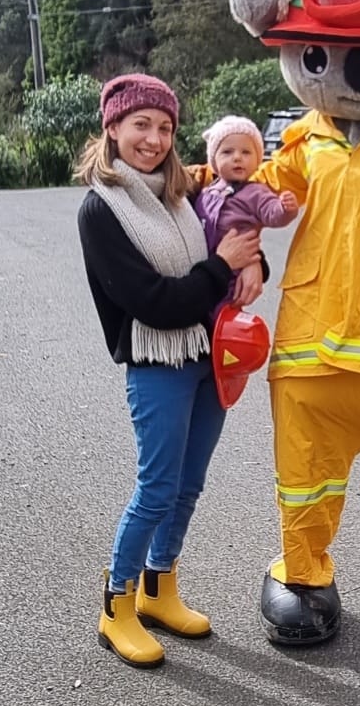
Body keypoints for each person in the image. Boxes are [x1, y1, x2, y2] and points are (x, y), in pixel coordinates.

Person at [76, 73, 262, 668]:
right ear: (112, 128)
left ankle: (159, 587)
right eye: (140, 126)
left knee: (188, 485)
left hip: (208, 355)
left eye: (164, 128)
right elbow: (155, 300)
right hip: (156, 359)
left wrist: (253, 263)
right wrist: (220, 267)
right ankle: (117, 604)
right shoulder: (101, 209)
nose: (153, 139)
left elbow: (233, 233)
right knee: (156, 487)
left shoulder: (185, 194)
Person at [194, 116, 298, 309]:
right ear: (213, 160)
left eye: (246, 152)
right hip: (205, 264)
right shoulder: (207, 189)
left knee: (222, 313)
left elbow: (272, 214)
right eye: (227, 151)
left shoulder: (255, 192)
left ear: (257, 159)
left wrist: (285, 209)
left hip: (233, 274)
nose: (237, 157)